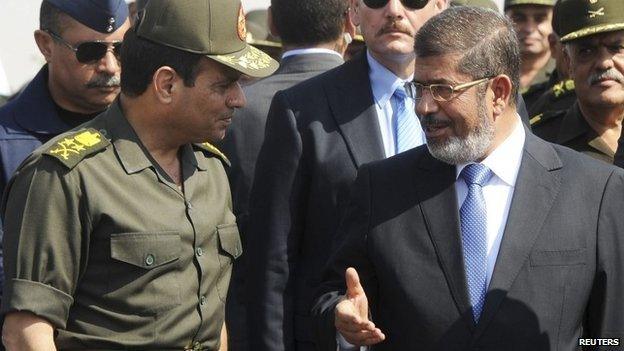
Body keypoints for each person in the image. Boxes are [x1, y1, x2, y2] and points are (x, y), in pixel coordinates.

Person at [313, 6, 624, 350]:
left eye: (443, 89)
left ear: (499, 93)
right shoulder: (381, 188)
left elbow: (611, 335)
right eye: (420, 88)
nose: (424, 107)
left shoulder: (596, 192)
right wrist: (342, 321)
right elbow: (334, 296)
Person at [0, 0, 277, 349]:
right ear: (166, 85)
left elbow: (210, 318)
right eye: (223, 86)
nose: (239, 100)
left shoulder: (212, 170)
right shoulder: (66, 176)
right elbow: (27, 332)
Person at [245, 0, 450, 349]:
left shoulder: (480, 101)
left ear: (442, 7)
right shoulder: (301, 109)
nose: (395, 11)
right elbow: (273, 262)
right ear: (353, 12)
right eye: (376, 0)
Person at [219, 1, 353, 349]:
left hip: (243, 318)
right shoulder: (376, 109)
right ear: (350, 24)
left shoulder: (231, 108)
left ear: (273, 24)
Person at [0, 0, 130, 195]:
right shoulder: (6, 143)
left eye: (122, 49)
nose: (110, 66)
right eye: (90, 51)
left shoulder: (160, 130)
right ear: (46, 45)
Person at [532, 0, 624, 164]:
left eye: (617, 48)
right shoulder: (540, 145)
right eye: (586, 51)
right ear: (568, 63)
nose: (604, 63)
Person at [505, 0, 556, 110]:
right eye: (519, 18)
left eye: (539, 19)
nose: (529, 29)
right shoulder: (491, 71)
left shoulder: (565, 72)